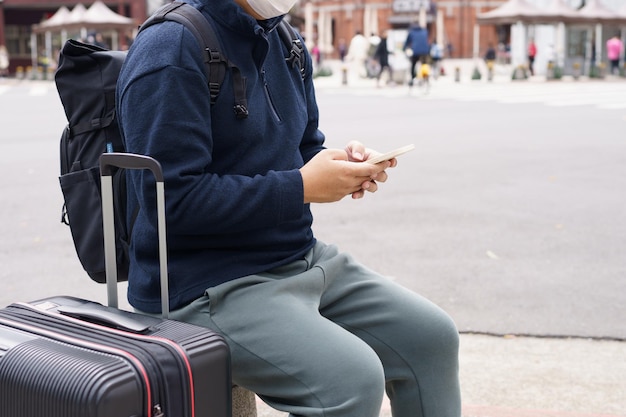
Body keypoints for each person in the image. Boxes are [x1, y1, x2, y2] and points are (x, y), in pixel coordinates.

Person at [117, 0, 461, 416]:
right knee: (350, 380)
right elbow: (171, 202)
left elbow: (303, 147)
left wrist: (344, 165)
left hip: (298, 257)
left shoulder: (285, 39)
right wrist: (299, 187)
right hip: (205, 284)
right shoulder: (170, 48)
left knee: (432, 337)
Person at [403, 21, 430, 86]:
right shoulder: (425, 31)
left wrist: (404, 49)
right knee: (424, 64)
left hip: (415, 51)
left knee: (413, 64)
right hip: (425, 51)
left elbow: (407, 42)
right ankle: (426, 77)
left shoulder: (411, 32)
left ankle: (413, 78)